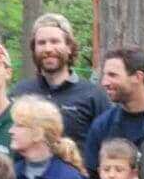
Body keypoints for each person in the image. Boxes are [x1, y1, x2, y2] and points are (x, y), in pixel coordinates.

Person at [10, 13, 109, 144]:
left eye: (54, 41)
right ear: (34, 49)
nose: (48, 48)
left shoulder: (93, 96)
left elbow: (109, 147)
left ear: (69, 47)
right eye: (41, 43)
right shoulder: (20, 93)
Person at [81, 47, 144, 179]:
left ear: (138, 77)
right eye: (104, 75)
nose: (104, 82)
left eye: (113, 75)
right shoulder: (102, 126)